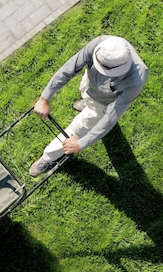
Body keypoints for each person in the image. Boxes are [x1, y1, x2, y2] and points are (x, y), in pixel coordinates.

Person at [29, 35, 148, 177]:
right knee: (85, 93)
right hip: (90, 86)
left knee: (78, 129)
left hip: (103, 104)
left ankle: (48, 157)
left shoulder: (136, 79)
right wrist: (44, 98)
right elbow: (69, 68)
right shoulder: (102, 43)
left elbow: (111, 116)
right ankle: (87, 104)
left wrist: (80, 143)